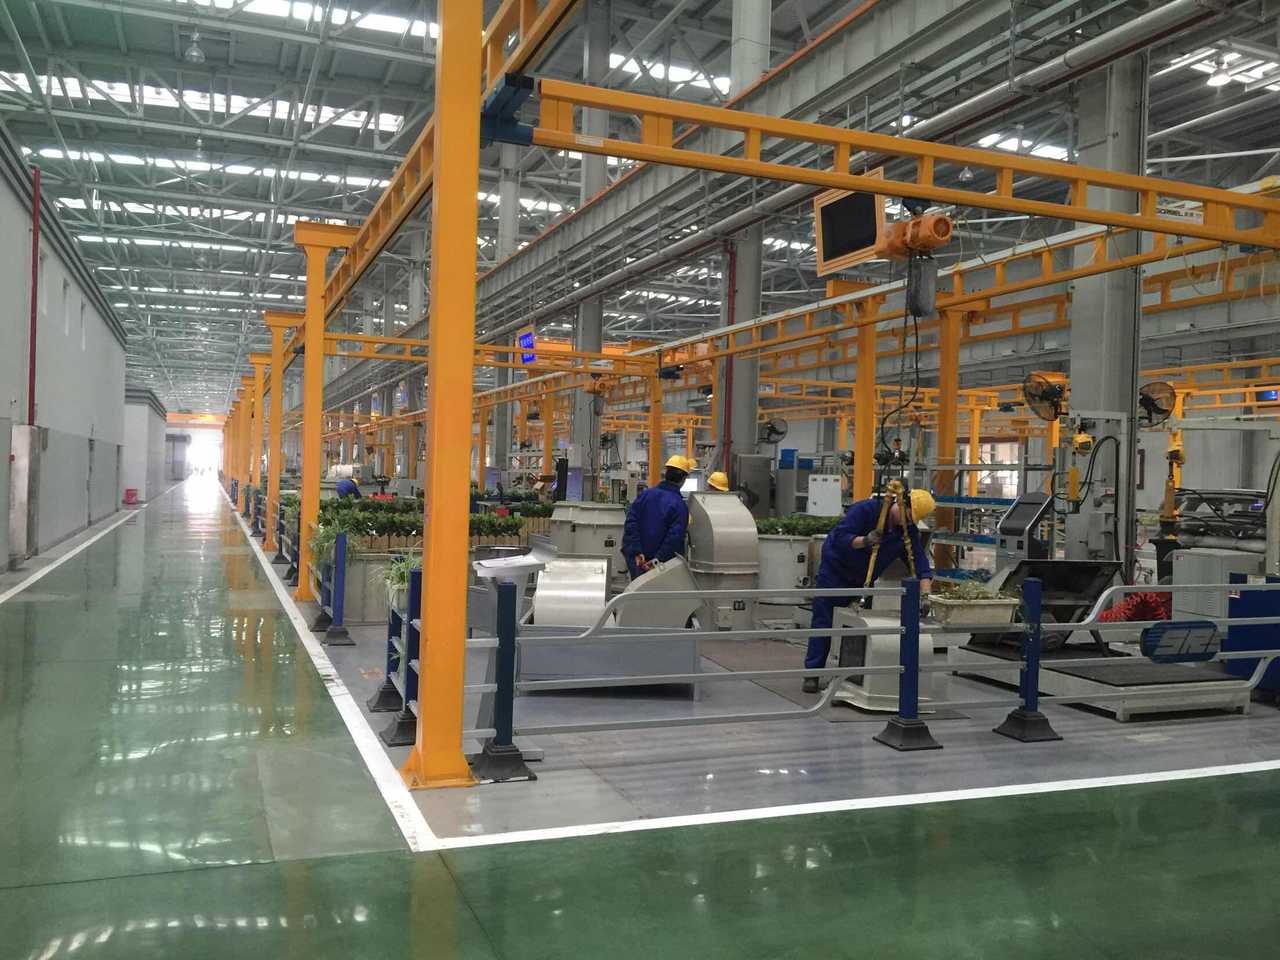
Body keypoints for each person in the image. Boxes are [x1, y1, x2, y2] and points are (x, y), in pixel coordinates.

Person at [803, 486, 936, 693]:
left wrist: (926, 595)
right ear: (902, 504)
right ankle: (812, 673)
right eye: (909, 516)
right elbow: (840, 538)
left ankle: (851, 676)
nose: (909, 522)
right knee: (824, 623)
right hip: (835, 573)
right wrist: (865, 540)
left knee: (857, 628)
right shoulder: (866, 510)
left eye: (913, 520)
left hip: (863, 581)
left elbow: (919, 563)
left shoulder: (906, 531)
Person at [621, 455, 693, 579]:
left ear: (666, 474)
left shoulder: (645, 495)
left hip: (639, 562)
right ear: (683, 479)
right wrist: (657, 560)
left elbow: (631, 524)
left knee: (637, 589)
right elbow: (674, 538)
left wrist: (636, 552)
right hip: (661, 567)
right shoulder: (679, 506)